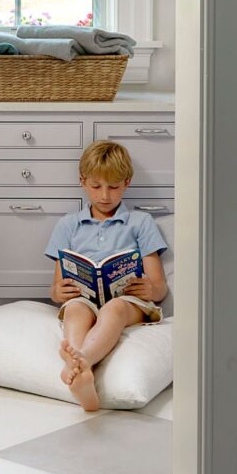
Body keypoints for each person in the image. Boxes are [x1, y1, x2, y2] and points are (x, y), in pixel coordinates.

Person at [45, 140, 168, 411]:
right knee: (75, 309)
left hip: (129, 303)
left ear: (127, 183)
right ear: (82, 182)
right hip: (85, 298)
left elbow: (159, 288)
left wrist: (150, 289)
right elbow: (55, 289)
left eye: (113, 187)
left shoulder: (141, 222)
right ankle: (81, 371)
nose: (104, 195)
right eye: (96, 186)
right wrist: (59, 292)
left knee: (113, 308)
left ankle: (81, 360)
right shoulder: (68, 225)